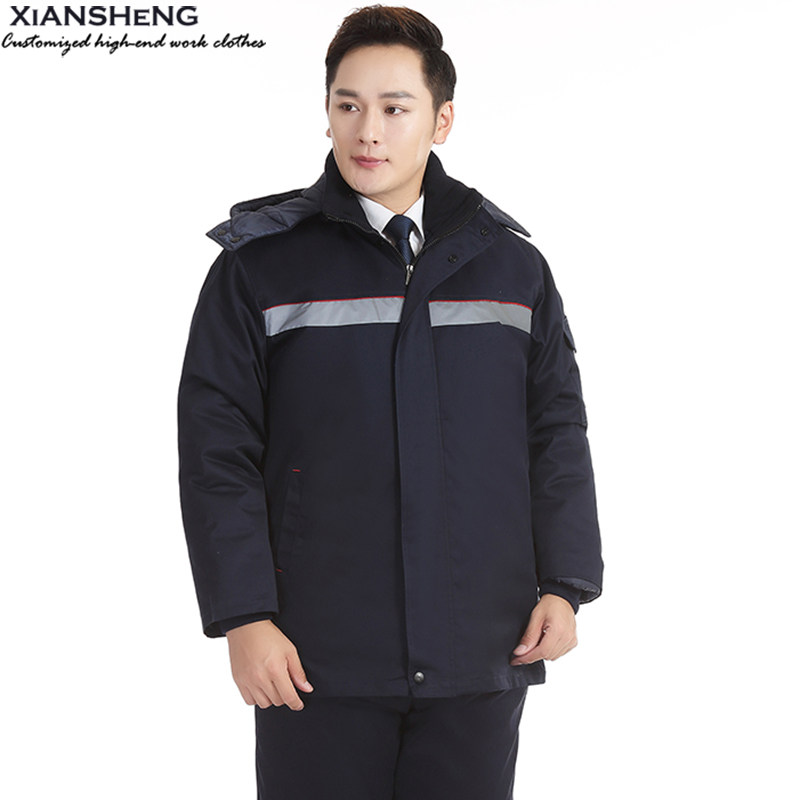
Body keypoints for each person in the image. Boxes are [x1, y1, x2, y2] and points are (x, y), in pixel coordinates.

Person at [178, 5, 603, 799]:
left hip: (482, 646)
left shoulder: (514, 269)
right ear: (327, 112)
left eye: (394, 108)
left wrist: (565, 583)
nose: (367, 131)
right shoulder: (260, 267)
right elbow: (216, 448)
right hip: (313, 654)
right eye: (348, 105)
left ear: (441, 120)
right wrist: (244, 616)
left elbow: (555, 431)